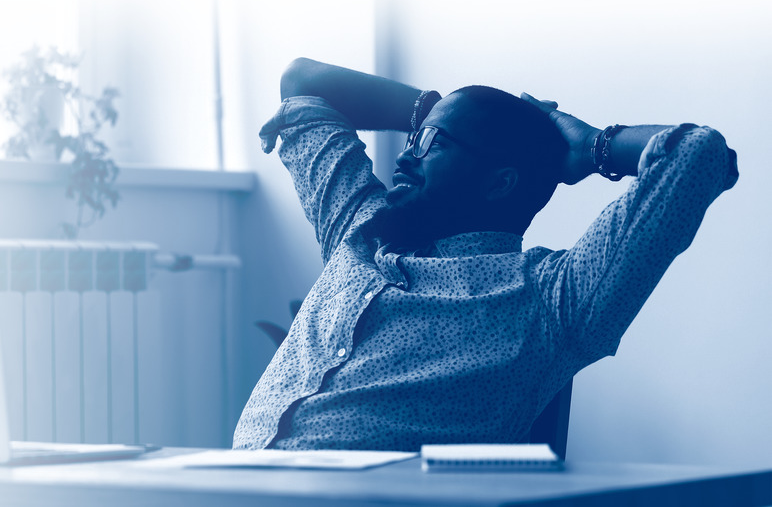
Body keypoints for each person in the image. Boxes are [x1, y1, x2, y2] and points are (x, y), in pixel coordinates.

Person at [233, 58, 738, 452]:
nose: (408, 154)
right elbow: (303, 81)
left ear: (500, 182)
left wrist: (589, 148)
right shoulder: (360, 230)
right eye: (414, 138)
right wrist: (441, 108)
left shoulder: (554, 298)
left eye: (432, 142)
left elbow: (699, 155)